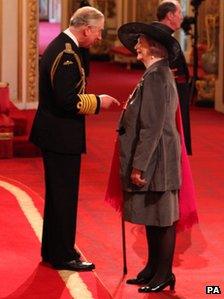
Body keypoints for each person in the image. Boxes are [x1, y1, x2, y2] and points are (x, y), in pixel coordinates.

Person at [29, 6, 119, 272]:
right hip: (60, 135)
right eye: (99, 31)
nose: (100, 37)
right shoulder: (66, 52)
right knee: (64, 196)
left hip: (57, 133)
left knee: (59, 196)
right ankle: (63, 255)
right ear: (86, 29)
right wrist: (98, 102)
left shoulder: (66, 46)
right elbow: (67, 100)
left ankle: (54, 249)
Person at [116, 22, 182, 293]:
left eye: (140, 42)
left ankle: (164, 273)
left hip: (158, 159)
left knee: (162, 217)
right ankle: (153, 268)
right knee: (153, 216)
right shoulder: (154, 73)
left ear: (154, 48)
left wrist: (139, 165)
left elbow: (152, 125)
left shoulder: (156, 76)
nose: (136, 46)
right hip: (157, 157)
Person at [154, 0, 192, 155]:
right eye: (179, 13)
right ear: (170, 15)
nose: (182, 17)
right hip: (169, 97)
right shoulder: (161, 37)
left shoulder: (163, 35)